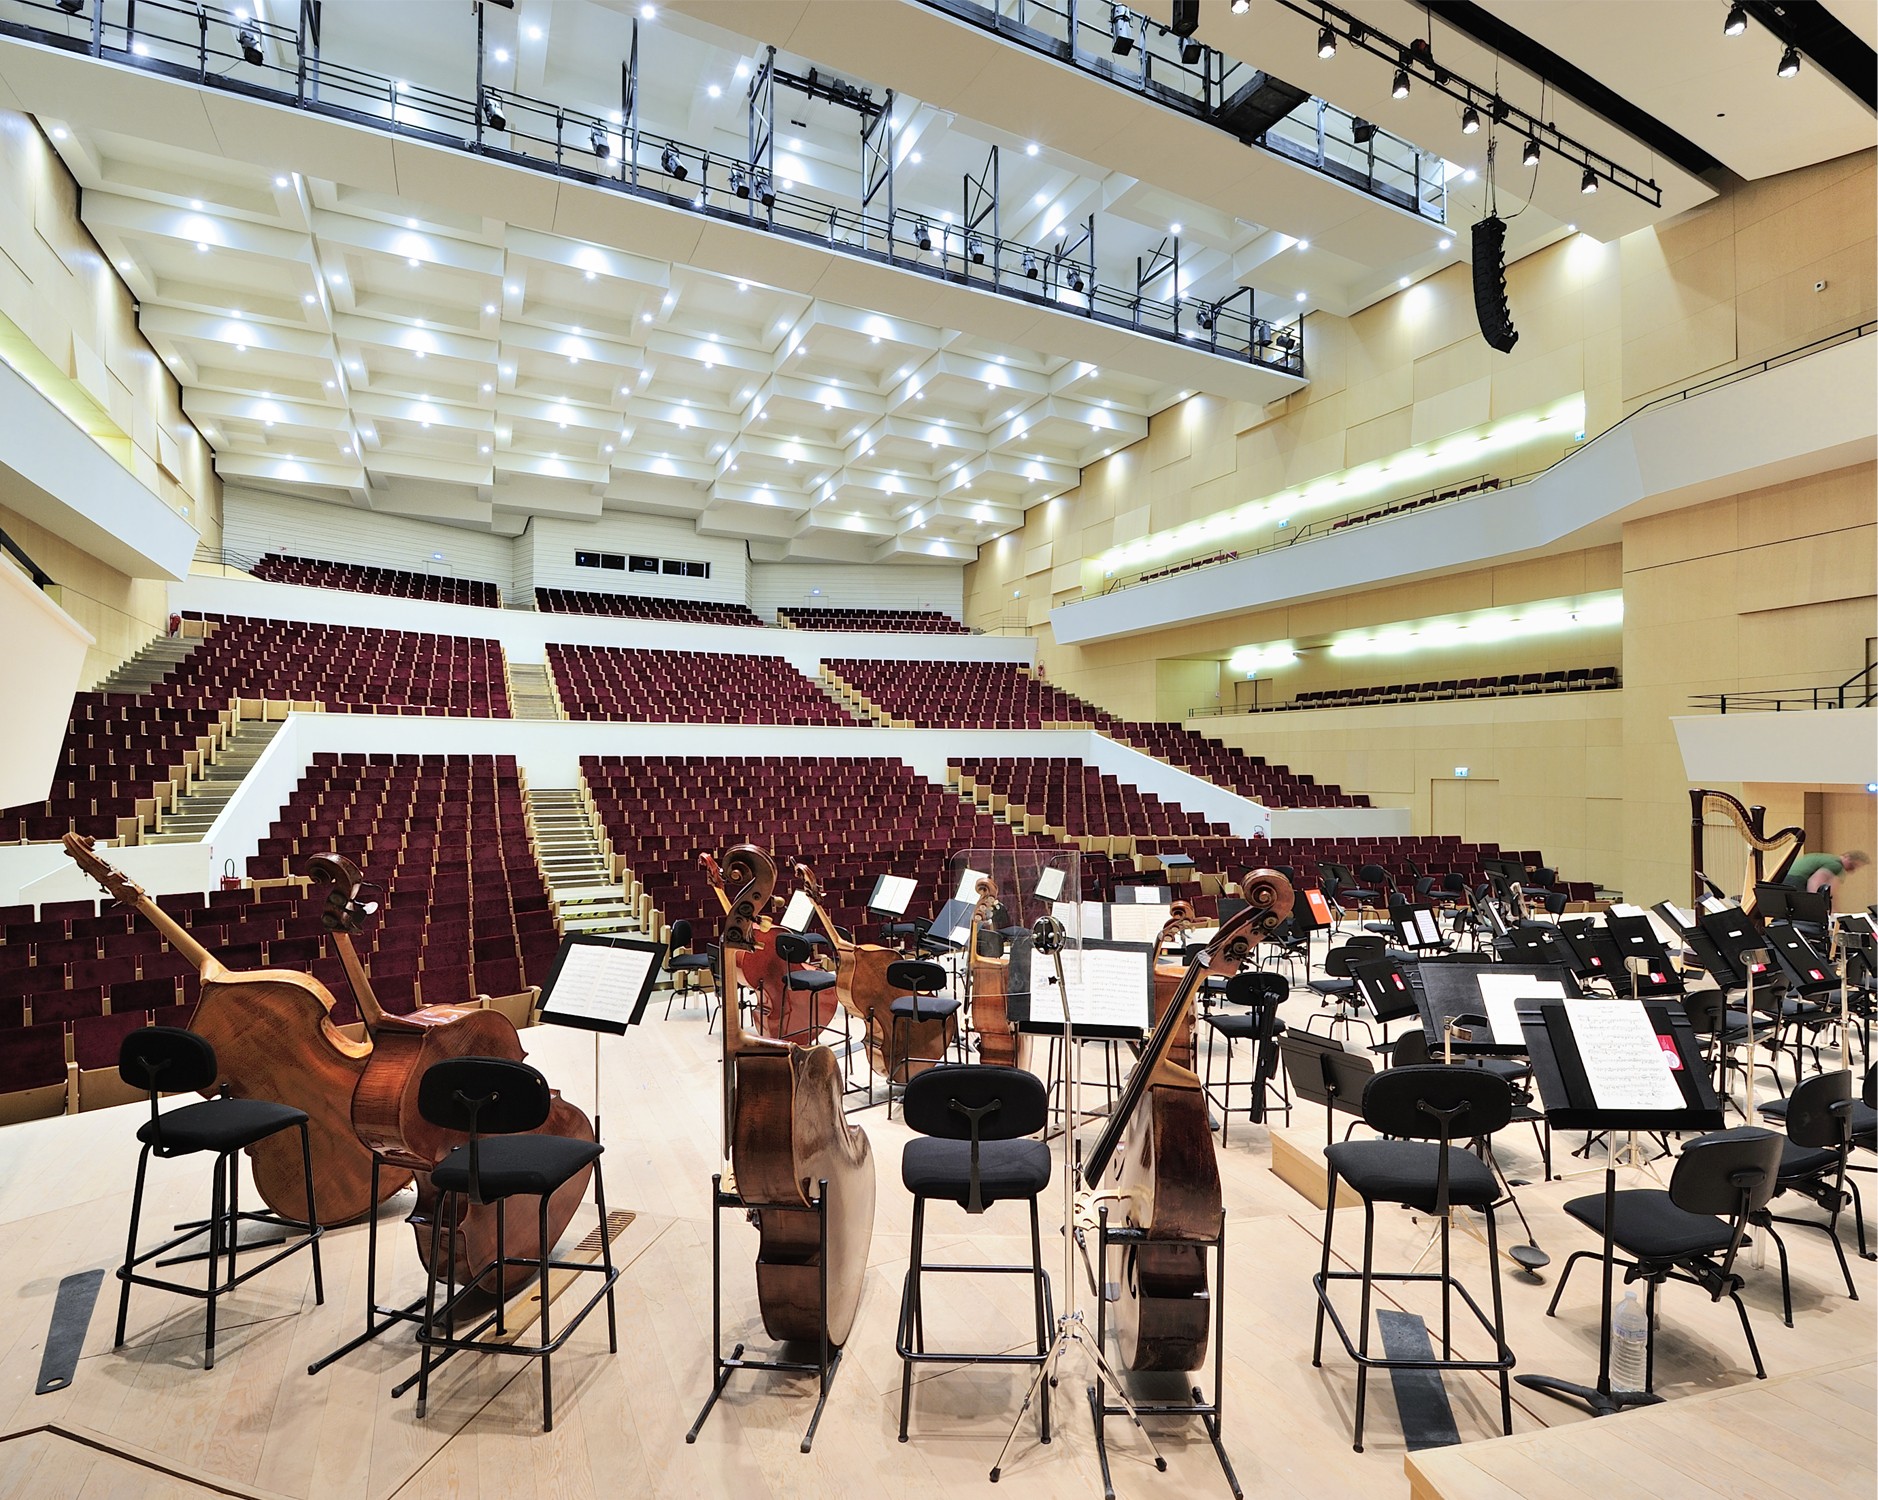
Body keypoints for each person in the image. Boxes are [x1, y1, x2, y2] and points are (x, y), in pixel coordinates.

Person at [1779, 849, 1869, 897]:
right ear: (1847, 857)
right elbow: (1814, 882)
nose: (1853, 869)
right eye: (1853, 865)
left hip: (1785, 878)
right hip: (1796, 880)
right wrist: (1817, 903)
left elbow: (1830, 892)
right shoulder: (1836, 865)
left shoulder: (1829, 859)